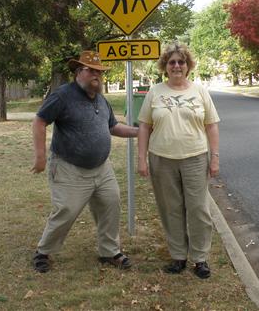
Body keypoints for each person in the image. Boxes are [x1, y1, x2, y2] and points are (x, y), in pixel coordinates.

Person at [31, 50, 139, 273]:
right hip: (69, 167)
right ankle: (44, 252)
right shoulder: (62, 96)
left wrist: (140, 132)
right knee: (67, 210)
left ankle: (109, 251)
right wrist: (40, 156)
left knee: (110, 203)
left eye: (100, 71)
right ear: (78, 72)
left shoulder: (101, 99)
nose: (97, 75)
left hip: (102, 168)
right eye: (92, 70)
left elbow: (113, 127)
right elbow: (40, 121)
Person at [137, 42, 220, 279]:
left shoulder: (200, 91)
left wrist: (214, 158)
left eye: (181, 62)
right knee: (170, 209)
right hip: (162, 160)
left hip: (195, 158)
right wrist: (141, 159)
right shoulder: (155, 92)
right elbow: (144, 126)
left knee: (198, 209)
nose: (176, 66)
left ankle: (200, 258)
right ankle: (178, 256)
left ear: (188, 66)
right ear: (165, 66)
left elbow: (212, 125)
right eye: (172, 62)